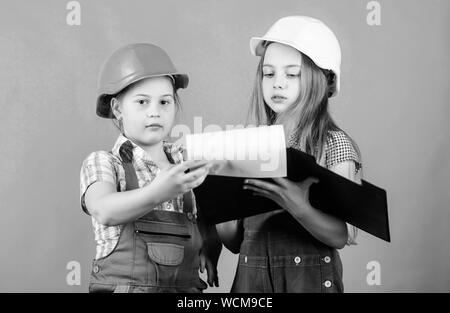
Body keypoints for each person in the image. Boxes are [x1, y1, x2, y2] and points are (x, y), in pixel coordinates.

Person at [216, 16, 362, 293]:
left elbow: (343, 235)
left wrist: (301, 208)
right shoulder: (250, 145)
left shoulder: (334, 144)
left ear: (325, 79)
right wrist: (219, 200)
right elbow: (234, 243)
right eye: (269, 74)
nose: (277, 83)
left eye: (292, 74)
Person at [80, 43, 221, 293]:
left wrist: (210, 242)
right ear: (117, 109)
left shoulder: (187, 160)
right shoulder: (105, 162)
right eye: (142, 102)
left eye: (164, 102)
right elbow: (103, 209)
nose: (155, 112)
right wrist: (159, 191)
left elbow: (205, 214)